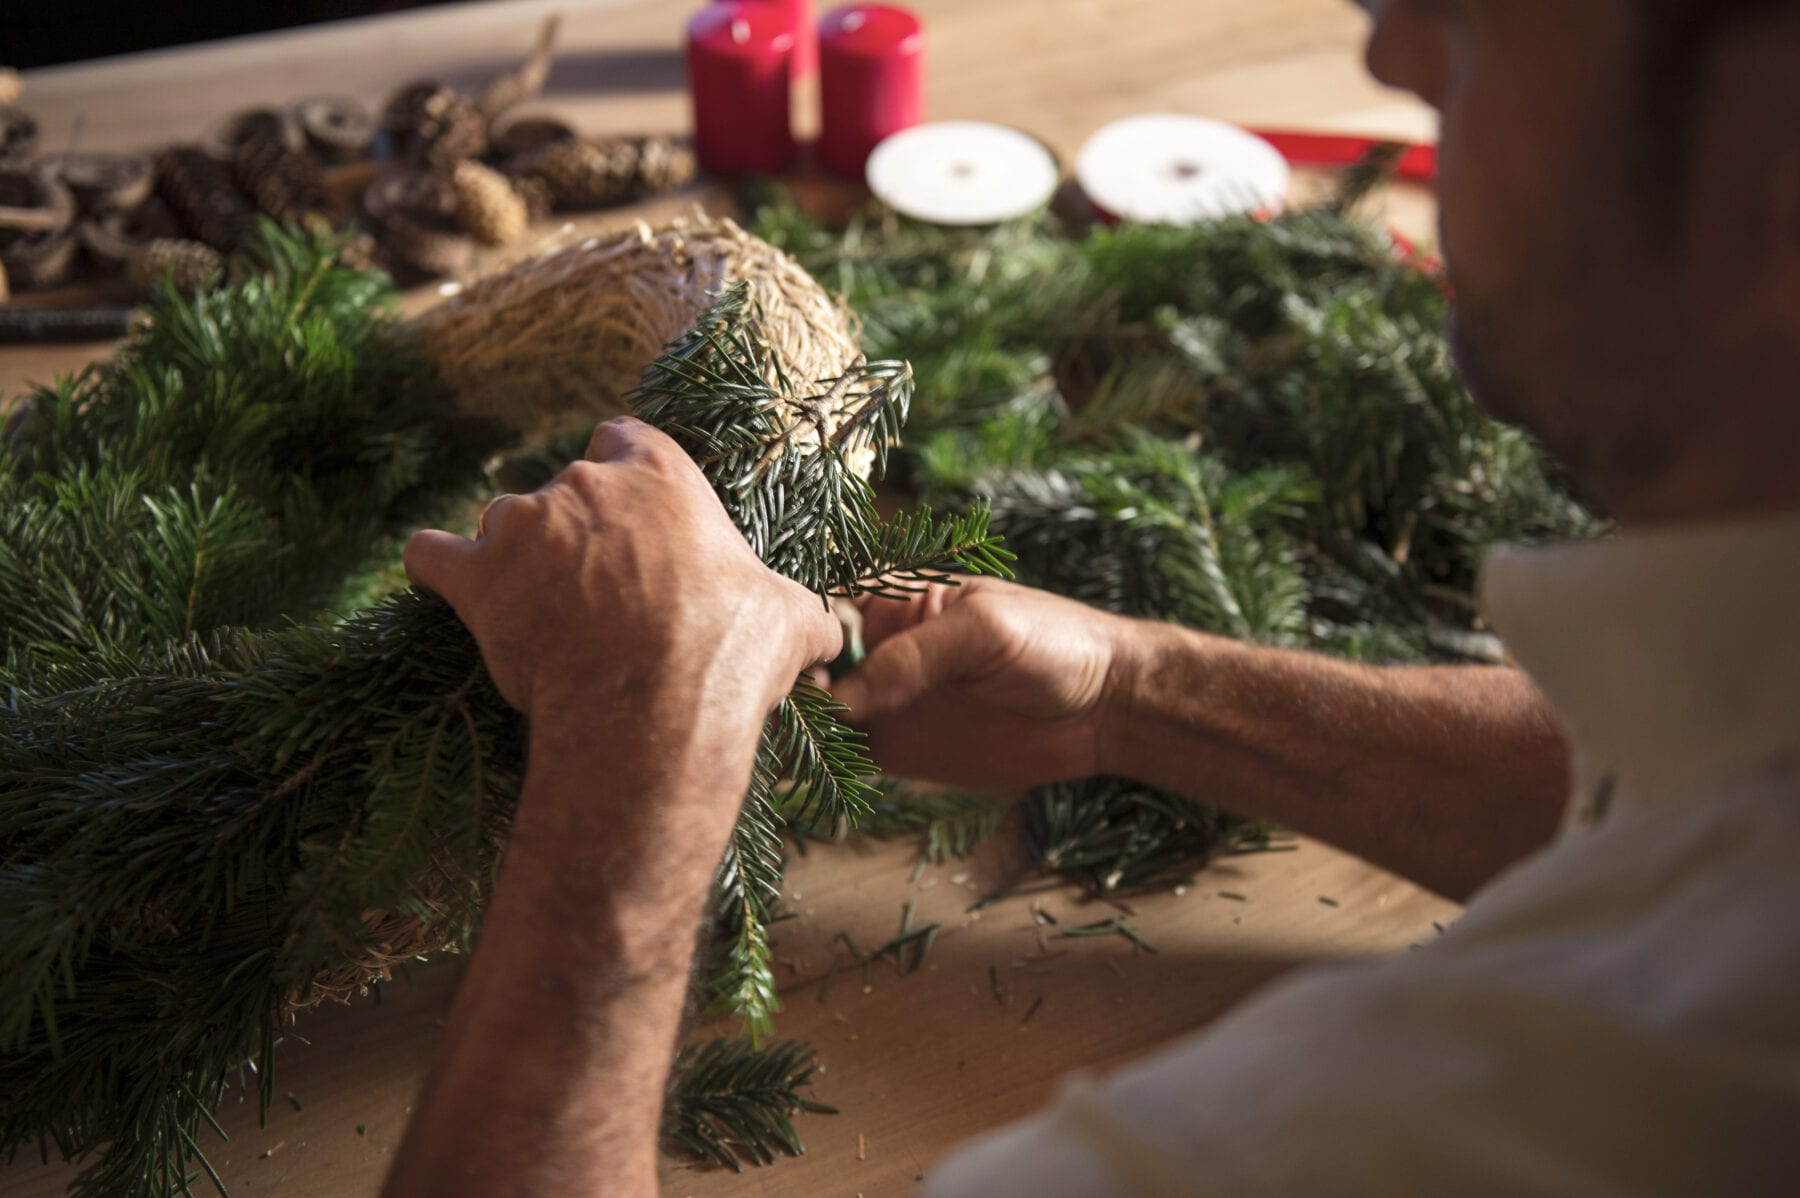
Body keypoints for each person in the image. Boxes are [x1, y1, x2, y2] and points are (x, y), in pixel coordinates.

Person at [388, 0, 1800, 1192]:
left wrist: (639, 716)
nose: (1397, 55)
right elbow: (1671, 780)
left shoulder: (1565, 1092)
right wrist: (1146, 689)